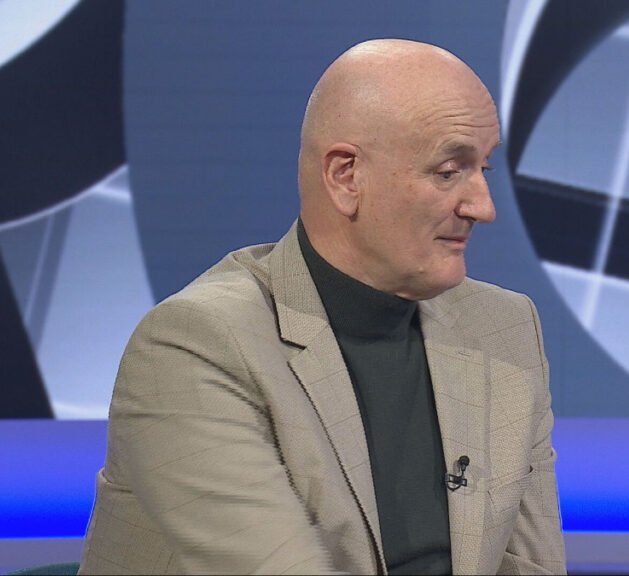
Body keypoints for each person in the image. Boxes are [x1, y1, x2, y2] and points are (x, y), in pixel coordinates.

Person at [79, 38, 565, 575]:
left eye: (483, 170)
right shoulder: (196, 345)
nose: (483, 207)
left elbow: (534, 566)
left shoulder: (504, 328)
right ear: (346, 177)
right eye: (449, 171)